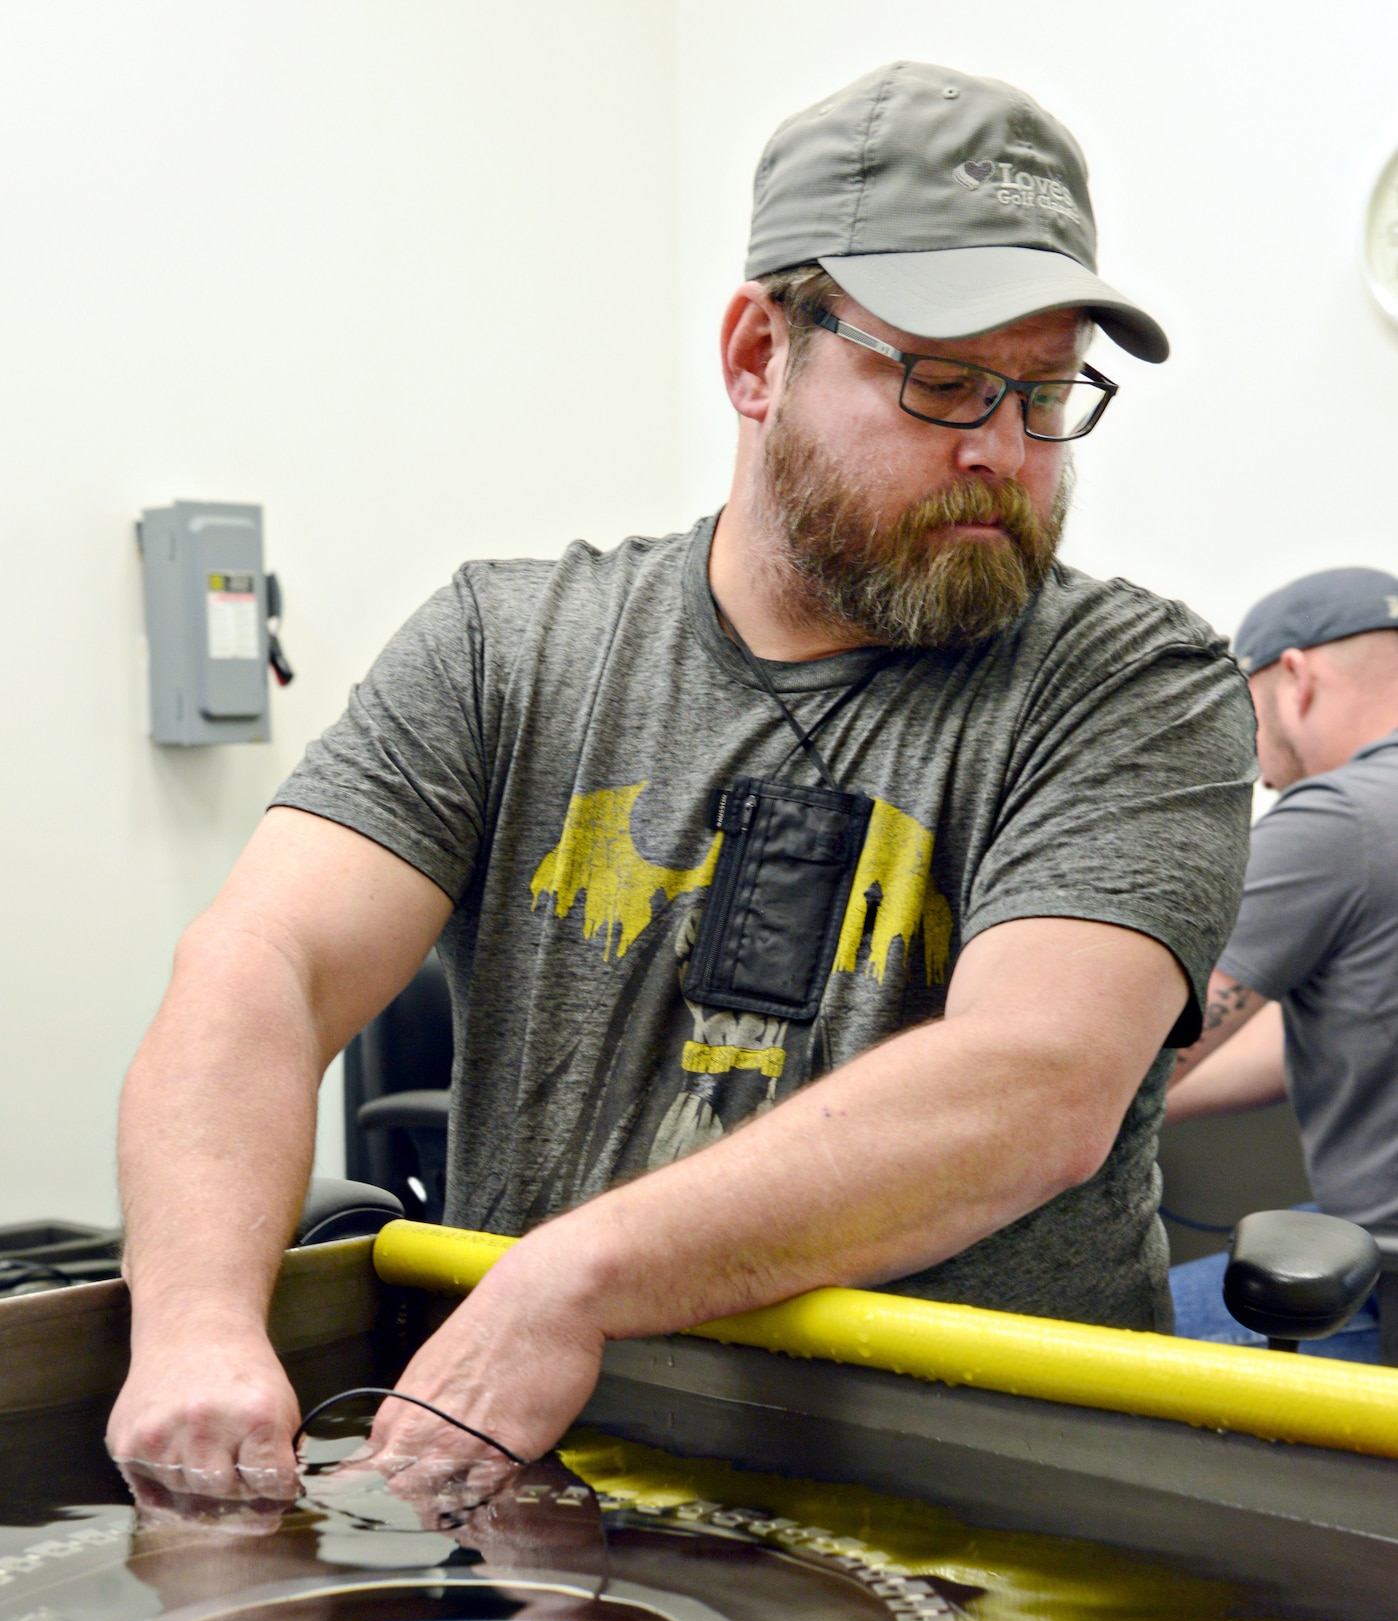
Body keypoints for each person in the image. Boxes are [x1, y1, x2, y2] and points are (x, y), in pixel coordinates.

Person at [108, 60, 1254, 1495]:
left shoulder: (1129, 684)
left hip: (986, 1528)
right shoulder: (505, 648)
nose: (999, 453)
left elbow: (1033, 1084)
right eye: (943, 382)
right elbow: (259, 963)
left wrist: (573, 1275)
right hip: (535, 1495)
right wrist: (201, 1323)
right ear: (757, 357)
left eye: (1043, 399)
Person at [1166, 568, 1398, 1358]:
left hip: (1378, 1286)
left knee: (1100, 1339)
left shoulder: (1339, 818)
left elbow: (1154, 1045)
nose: (1259, 768)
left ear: (1295, 678)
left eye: (1248, 715)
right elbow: (1342, 1021)